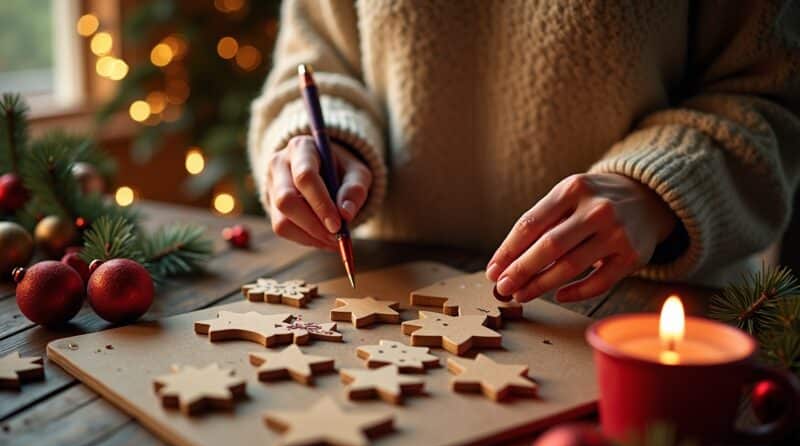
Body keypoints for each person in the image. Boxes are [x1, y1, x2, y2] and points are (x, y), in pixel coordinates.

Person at [248, 1, 800, 302]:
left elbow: (771, 96)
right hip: (387, 293)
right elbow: (313, 61)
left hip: (642, 314)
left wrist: (655, 191)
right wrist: (328, 141)